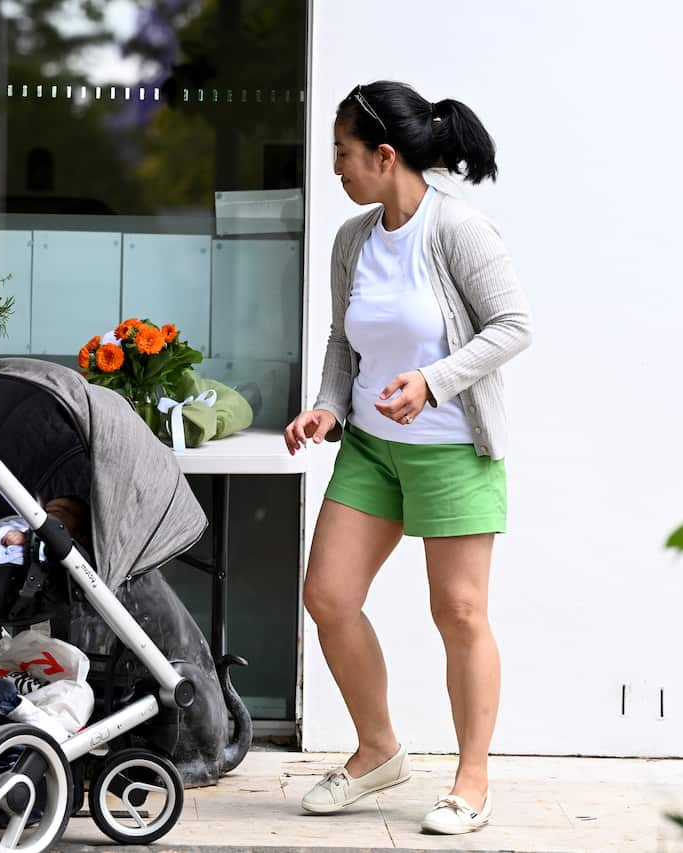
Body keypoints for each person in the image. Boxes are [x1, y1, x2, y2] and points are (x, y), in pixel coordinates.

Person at [284, 80, 532, 836]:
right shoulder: (353, 239)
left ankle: (472, 778)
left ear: (384, 155)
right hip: (369, 449)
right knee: (328, 595)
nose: (336, 167)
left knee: (457, 612)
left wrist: (433, 380)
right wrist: (328, 402)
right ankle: (378, 750)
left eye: (343, 152)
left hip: (453, 449)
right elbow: (342, 340)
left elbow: (513, 325)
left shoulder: (459, 231)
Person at [0, 496, 89, 584]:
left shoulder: (65, 552)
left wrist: (28, 539)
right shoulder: (24, 520)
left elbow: (52, 553)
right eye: (48, 510)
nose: (52, 512)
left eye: (63, 511)